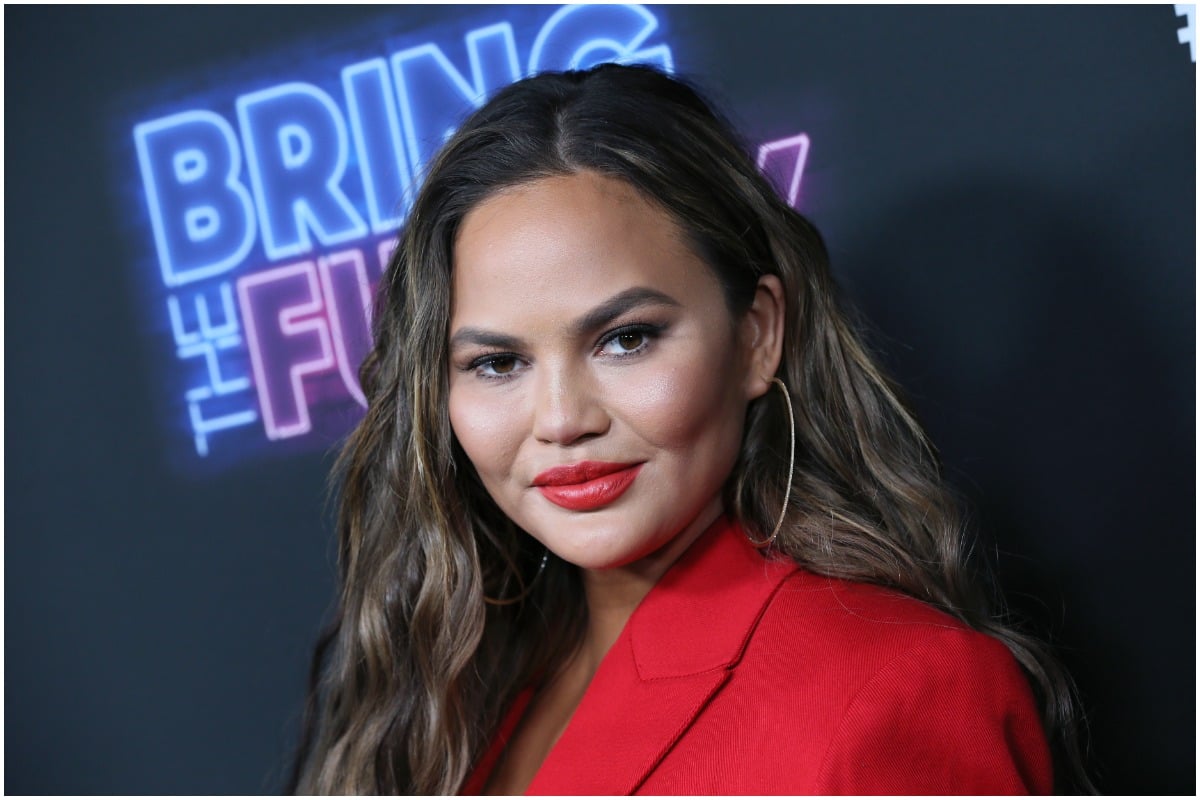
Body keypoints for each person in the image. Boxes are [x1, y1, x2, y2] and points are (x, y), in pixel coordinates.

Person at [288, 63, 1090, 794]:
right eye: (498, 363)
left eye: (625, 338)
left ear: (756, 335)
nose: (563, 420)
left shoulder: (896, 690)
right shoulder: (458, 692)